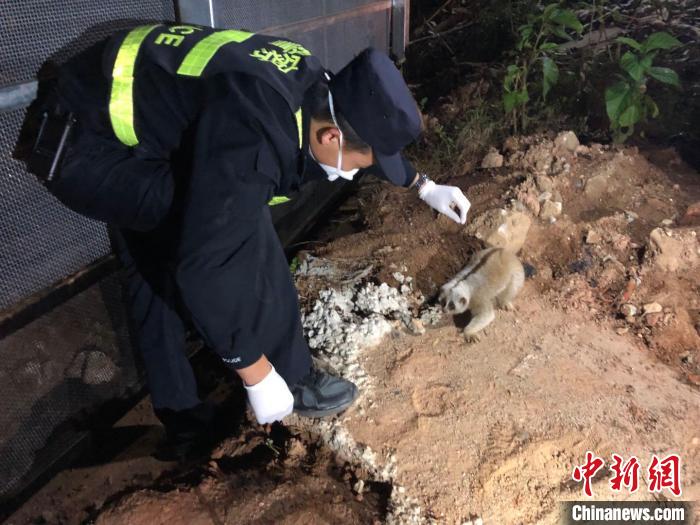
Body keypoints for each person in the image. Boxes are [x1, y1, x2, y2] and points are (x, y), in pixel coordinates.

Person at [31, 24, 470, 458]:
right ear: (331, 136)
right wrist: (255, 373)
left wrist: (423, 184)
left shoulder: (316, 86)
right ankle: (291, 378)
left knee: (152, 267)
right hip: (83, 148)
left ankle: (185, 422)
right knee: (228, 235)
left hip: (114, 113)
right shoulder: (254, 139)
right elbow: (205, 265)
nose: (353, 174)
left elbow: (360, 137)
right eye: (361, 164)